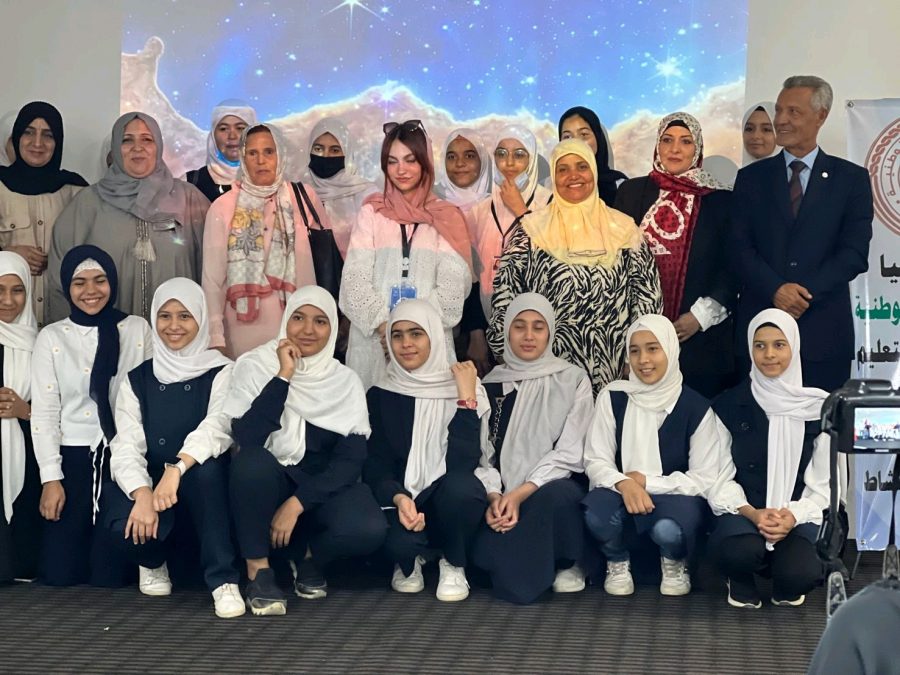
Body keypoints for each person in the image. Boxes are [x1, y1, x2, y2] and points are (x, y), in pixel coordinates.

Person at [226, 286, 386, 616]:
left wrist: (297, 504)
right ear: (286, 320)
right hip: (267, 485)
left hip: (319, 490)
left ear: (333, 329)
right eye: (298, 318)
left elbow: (351, 459)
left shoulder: (344, 381)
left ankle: (308, 554)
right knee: (251, 462)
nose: (308, 330)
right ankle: (258, 570)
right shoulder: (254, 365)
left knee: (367, 527)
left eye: (320, 321)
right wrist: (283, 376)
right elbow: (248, 436)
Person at [106, 278, 243, 618]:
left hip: (199, 480)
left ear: (200, 319)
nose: (174, 326)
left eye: (185, 316)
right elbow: (126, 444)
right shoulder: (137, 378)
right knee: (122, 527)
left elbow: (218, 428)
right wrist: (141, 493)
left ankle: (223, 580)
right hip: (152, 482)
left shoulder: (222, 371)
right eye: (165, 316)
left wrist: (177, 469)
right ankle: (153, 561)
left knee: (208, 471)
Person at [732, 75, 873, 391]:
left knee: (821, 422)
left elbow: (854, 254)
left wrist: (803, 293)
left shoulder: (851, 179)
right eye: (779, 110)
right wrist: (776, 289)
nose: (781, 120)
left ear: (821, 115)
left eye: (793, 112)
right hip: (760, 330)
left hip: (823, 334)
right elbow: (738, 248)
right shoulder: (751, 179)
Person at [488, 139, 662, 395]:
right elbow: (505, 297)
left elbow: (647, 299)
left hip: (615, 372)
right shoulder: (530, 230)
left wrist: (637, 358)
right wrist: (508, 357)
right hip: (545, 374)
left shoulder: (624, 229)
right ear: (554, 176)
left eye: (582, 166)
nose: (573, 176)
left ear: (593, 170)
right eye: (563, 169)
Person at [31, 245, 152, 586]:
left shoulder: (136, 329)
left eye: (100, 280)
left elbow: (148, 397)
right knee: (60, 575)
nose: (91, 291)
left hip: (122, 456)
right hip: (71, 458)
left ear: (112, 281)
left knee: (110, 576)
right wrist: (51, 479)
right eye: (79, 282)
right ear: (66, 288)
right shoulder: (52, 337)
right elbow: (45, 412)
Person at [582, 314, 720, 597]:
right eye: (634, 351)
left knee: (670, 529)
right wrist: (624, 483)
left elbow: (704, 478)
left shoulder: (696, 407)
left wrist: (646, 482)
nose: (643, 360)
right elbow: (595, 460)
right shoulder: (613, 396)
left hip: (674, 495)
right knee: (596, 514)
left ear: (671, 349)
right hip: (620, 489)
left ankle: (674, 561)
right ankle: (616, 560)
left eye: (653, 349)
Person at [364, 299, 489, 602]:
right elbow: (376, 464)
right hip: (403, 502)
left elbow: (464, 463)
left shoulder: (465, 387)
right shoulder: (380, 393)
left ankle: (453, 560)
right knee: (398, 545)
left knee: (463, 489)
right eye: (397, 335)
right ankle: (410, 558)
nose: (406, 344)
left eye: (416, 334)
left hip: (446, 499)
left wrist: (466, 401)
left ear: (434, 336)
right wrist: (398, 497)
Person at [472, 292, 592, 604]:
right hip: (502, 491)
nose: (528, 336)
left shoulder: (572, 380)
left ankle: (565, 561)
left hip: (550, 487)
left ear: (550, 333)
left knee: (558, 496)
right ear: (507, 331)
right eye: (519, 326)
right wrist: (496, 496)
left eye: (538, 328)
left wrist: (520, 493)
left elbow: (570, 453)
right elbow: (483, 454)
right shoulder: (490, 384)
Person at [708, 308, 829, 609]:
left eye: (779, 345)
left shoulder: (820, 408)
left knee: (800, 573)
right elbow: (717, 476)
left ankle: (784, 579)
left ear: (794, 347)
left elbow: (825, 486)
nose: (769, 354)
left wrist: (791, 516)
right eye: (760, 345)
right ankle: (740, 579)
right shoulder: (728, 404)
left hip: (797, 514)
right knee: (737, 552)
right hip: (746, 512)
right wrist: (753, 513)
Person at [339, 120, 470, 390]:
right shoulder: (371, 212)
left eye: (410, 160)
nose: (401, 170)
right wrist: (386, 329)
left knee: (429, 413)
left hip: (429, 344)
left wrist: (409, 333)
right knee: (372, 411)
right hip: (374, 345)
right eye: (392, 161)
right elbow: (354, 280)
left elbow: (452, 290)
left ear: (425, 162)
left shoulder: (447, 216)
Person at [614, 112, 736, 399]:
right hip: (638, 338)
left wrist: (700, 316)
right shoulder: (632, 193)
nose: (675, 149)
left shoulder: (720, 201)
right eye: (667, 140)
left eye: (685, 142)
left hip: (697, 338)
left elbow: (732, 268)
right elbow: (616, 264)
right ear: (657, 145)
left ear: (698, 148)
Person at [48, 112, 210, 323]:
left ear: (158, 146)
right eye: (127, 140)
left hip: (176, 333)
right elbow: (60, 277)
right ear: (116, 147)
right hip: (107, 334)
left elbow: (213, 273)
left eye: (147, 139)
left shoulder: (189, 199)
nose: (137, 147)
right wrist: (71, 334)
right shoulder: (88, 203)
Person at [202, 123, 318, 358]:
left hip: (298, 330)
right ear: (243, 158)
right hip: (241, 333)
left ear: (280, 154)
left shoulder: (302, 198)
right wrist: (215, 336)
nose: (261, 160)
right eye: (252, 153)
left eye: (268, 152)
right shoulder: (223, 207)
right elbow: (212, 280)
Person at [465, 126, 552, 359]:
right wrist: (476, 334)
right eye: (501, 154)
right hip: (487, 322)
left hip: (536, 328)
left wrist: (520, 210)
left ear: (532, 160)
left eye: (519, 155)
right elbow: (471, 277)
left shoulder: (549, 204)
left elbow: (550, 264)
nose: (509, 163)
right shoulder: (479, 211)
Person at [0, 102, 88, 327]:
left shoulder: (76, 190)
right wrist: (7, 254)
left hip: (62, 321)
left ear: (58, 142)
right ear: (17, 136)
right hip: (7, 320)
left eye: (48, 135)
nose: (37, 143)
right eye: (29, 132)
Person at [0, 252, 41, 583]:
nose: (8, 300)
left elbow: (60, 406)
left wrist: (24, 411)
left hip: (29, 449)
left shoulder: (41, 343)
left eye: (17, 290)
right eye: (0, 290)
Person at [305, 116, 380, 258]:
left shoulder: (366, 193)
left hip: (356, 270)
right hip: (307, 271)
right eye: (318, 149)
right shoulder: (298, 192)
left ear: (347, 152)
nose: (325, 156)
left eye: (335, 150)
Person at [185, 99, 259, 203]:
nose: (232, 136)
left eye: (240, 128)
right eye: (223, 129)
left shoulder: (272, 183)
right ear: (213, 136)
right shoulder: (189, 183)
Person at [558, 106, 627, 205]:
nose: (576, 143)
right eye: (567, 137)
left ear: (598, 139)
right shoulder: (551, 188)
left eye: (584, 134)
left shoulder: (622, 187)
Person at [434, 127, 492, 213]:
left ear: (482, 161)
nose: (459, 163)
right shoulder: (428, 202)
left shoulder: (498, 206)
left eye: (469, 156)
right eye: (451, 157)